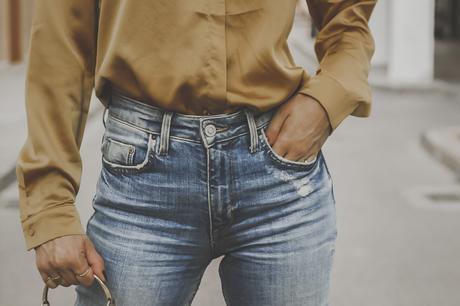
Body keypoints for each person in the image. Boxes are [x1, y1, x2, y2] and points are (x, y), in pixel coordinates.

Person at [16, 1, 376, 305]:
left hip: (277, 174)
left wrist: (328, 98)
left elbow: (348, 13)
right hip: (142, 182)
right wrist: (50, 208)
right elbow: (61, 39)